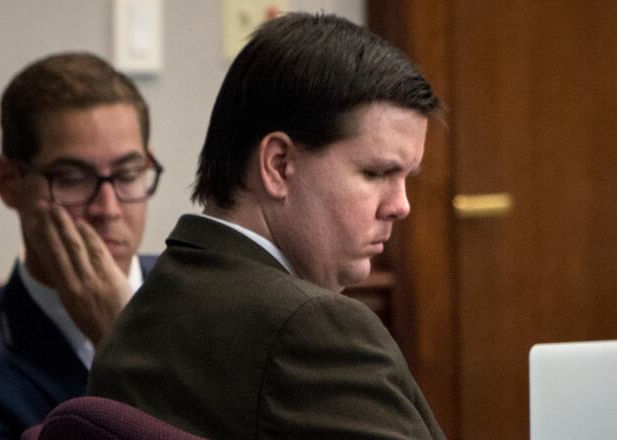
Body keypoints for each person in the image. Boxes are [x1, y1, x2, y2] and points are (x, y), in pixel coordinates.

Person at [89, 12, 445, 440]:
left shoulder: (145, 309)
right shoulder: (312, 329)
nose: (401, 206)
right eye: (375, 173)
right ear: (278, 165)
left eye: (406, 177)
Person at [0, 52, 162, 439]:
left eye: (127, 174)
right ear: (8, 182)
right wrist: (122, 349)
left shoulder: (210, 304)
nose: (108, 209)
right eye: (72, 178)